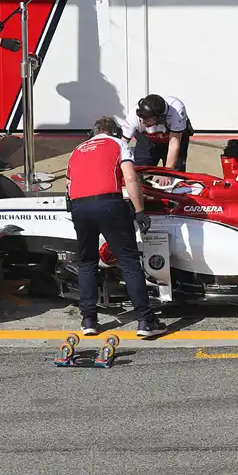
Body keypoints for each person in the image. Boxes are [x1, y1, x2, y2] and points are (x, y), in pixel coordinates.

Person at [66, 116, 168, 338]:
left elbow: (69, 184)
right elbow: (131, 178)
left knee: (86, 262)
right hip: (109, 204)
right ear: (114, 131)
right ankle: (145, 321)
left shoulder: (78, 149)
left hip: (79, 207)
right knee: (129, 263)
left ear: (94, 132)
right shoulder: (118, 143)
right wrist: (140, 211)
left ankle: (89, 319)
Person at [120, 94, 193, 186]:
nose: (142, 122)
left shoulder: (177, 111)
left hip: (173, 138)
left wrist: (167, 173)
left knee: (175, 177)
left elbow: (174, 144)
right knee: (139, 172)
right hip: (147, 139)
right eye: (141, 118)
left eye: (146, 119)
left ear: (160, 118)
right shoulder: (134, 116)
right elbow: (121, 144)